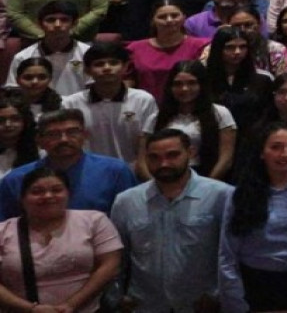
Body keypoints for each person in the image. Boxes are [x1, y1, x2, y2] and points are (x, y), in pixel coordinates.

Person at [108, 127, 230, 313]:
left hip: (203, 305)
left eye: (172, 155)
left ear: (190, 153)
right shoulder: (126, 201)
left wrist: (219, 295)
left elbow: (231, 255)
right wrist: (116, 297)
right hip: (144, 304)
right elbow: (117, 257)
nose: (163, 163)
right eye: (154, 157)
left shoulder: (222, 195)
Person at [217, 123, 287, 312]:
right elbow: (228, 252)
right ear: (261, 152)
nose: (286, 154)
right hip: (259, 284)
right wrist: (234, 299)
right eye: (276, 147)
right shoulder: (241, 193)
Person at [0, 166, 123, 313]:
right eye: (37, 192)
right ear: (22, 198)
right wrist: (31, 309)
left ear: (68, 194)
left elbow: (110, 265)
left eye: (56, 190)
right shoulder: (4, 231)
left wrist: (71, 304)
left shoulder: (94, 221)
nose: (48, 196)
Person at [0, 110, 135, 219]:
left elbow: (129, 221)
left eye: (72, 132)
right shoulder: (16, 179)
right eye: (53, 134)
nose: (64, 139)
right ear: (39, 141)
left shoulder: (115, 171)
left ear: (85, 135)